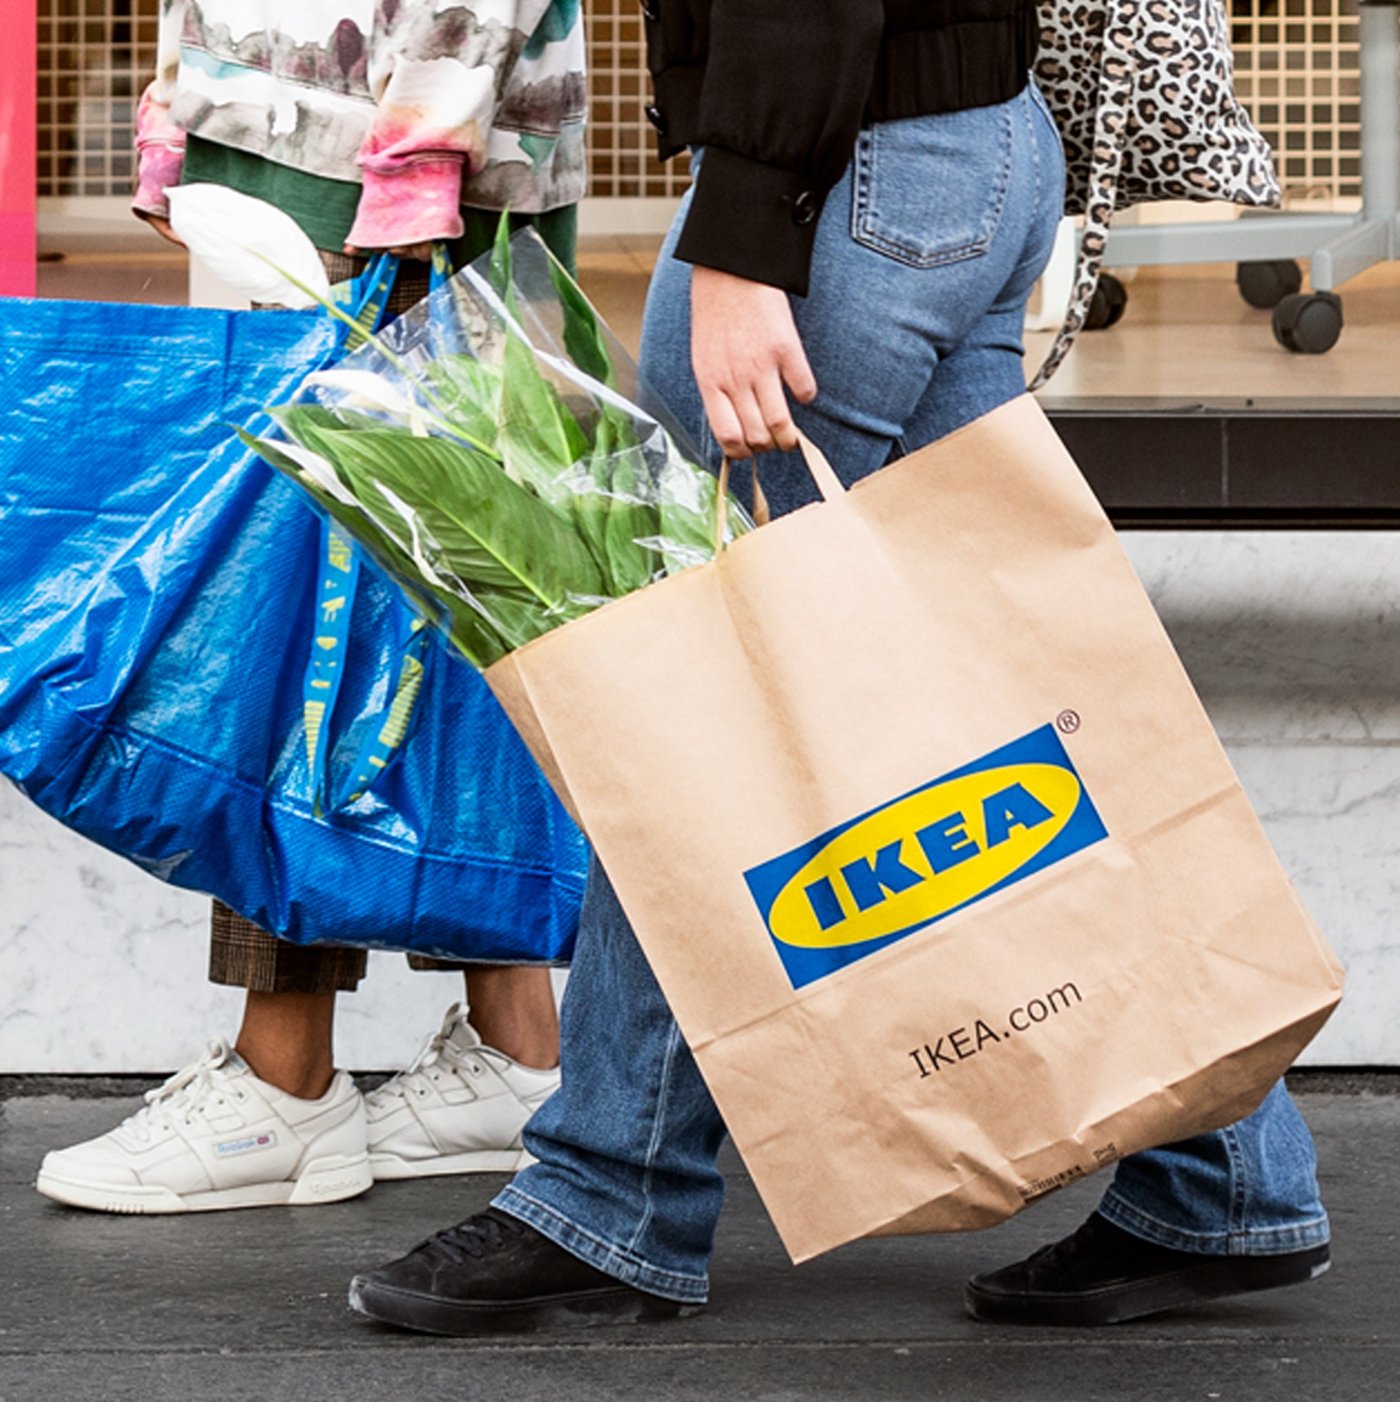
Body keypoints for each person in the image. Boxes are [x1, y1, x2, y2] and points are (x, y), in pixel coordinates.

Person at [343, 0, 1333, 1332]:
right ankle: (1223, 1170)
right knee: (997, 685)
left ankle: (607, 1187)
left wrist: (749, 227)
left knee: (696, 692)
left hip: (839, 180)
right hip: (964, 138)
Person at [35, 0, 586, 1215]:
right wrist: (180, 116)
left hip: (370, 158)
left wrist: (414, 165)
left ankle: (281, 1081)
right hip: (332, 134)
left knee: (284, 605)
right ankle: (515, 1042)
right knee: (448, 584)